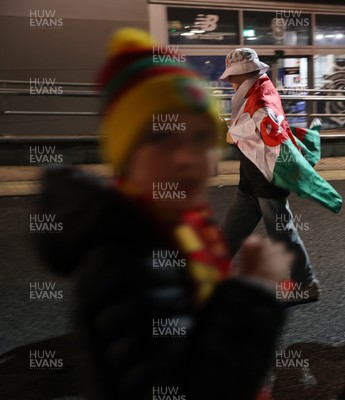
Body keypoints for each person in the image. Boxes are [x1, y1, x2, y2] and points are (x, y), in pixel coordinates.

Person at [35, 28, 291, 399]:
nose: (188, 158)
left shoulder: (180, 222)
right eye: (160, 137)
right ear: (124, 155)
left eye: (201, 138)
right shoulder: (124, 259)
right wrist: (252, 296)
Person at [220, 48, 343, 304]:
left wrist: (233, 136)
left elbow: (269, 139)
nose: (229, 82)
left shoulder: (258, 100)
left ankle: (306, 284)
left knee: (282, 234)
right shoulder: (259, 90)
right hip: (253, 181)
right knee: (232, 230)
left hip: (266, 182)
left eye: (232, 77)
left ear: (244, 74)